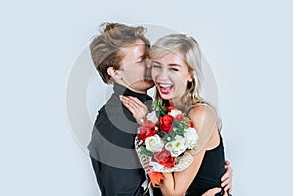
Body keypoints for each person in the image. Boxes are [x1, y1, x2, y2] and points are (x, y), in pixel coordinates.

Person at [88, 23, 232, 196]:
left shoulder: (155, 109)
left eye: (149, 55)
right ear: (115, 72)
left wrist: (216, 170)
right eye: (141, 60)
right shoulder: (116, 121)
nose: (152, 64)